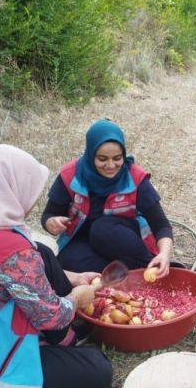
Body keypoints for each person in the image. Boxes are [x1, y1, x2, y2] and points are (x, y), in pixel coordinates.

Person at [0, 144, 112, 388]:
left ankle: (59, 343)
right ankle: (58, 344)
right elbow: (52, 317)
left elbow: (6, 274)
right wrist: (78, 298)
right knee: (97, 367)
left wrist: (74, 277)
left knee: (43, 250)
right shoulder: (12, 251)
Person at [42, 118, 176, 277]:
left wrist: (164, 255)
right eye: (102, 159)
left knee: (101, 229)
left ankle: (151, 266)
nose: (111, 166)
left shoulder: (135, 177)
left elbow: (161, 225)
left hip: (122, 239)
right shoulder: (70, 176)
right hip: (83, 240)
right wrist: (51, 223)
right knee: (67, 261)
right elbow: (48, 215)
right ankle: (126, 277)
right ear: (91, 154)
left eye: (117, 158)